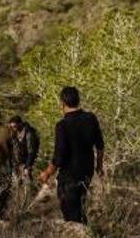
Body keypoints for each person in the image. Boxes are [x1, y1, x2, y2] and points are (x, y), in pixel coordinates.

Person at [38, 86, 105, 223]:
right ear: (78, 100)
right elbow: (100, 146)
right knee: (81, 207)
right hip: (87, 171)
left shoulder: (62, 126)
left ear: (62, 103)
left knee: (71, 215)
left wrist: (47, 173)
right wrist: (99, 166)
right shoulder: (91, 118)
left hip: (70, 176)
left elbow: (59, 156)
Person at [8, 115, 40, 180]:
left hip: (25, 163)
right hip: (16, 164)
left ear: (20, 124)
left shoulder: (29, 134)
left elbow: (31, 151)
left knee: (27, 185)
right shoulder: (14, 133)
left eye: (15, 126)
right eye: (12, 127)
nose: (13, 128)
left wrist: (27, 166)